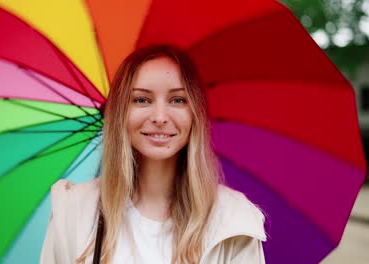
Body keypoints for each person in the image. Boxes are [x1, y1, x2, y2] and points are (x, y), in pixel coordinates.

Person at [40, 45, 266, 264]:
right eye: (141, 100)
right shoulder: (73, 211)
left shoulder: (233, 221)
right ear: (120, 113)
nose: (159, 117)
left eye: (177, 100)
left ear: (195, 113)